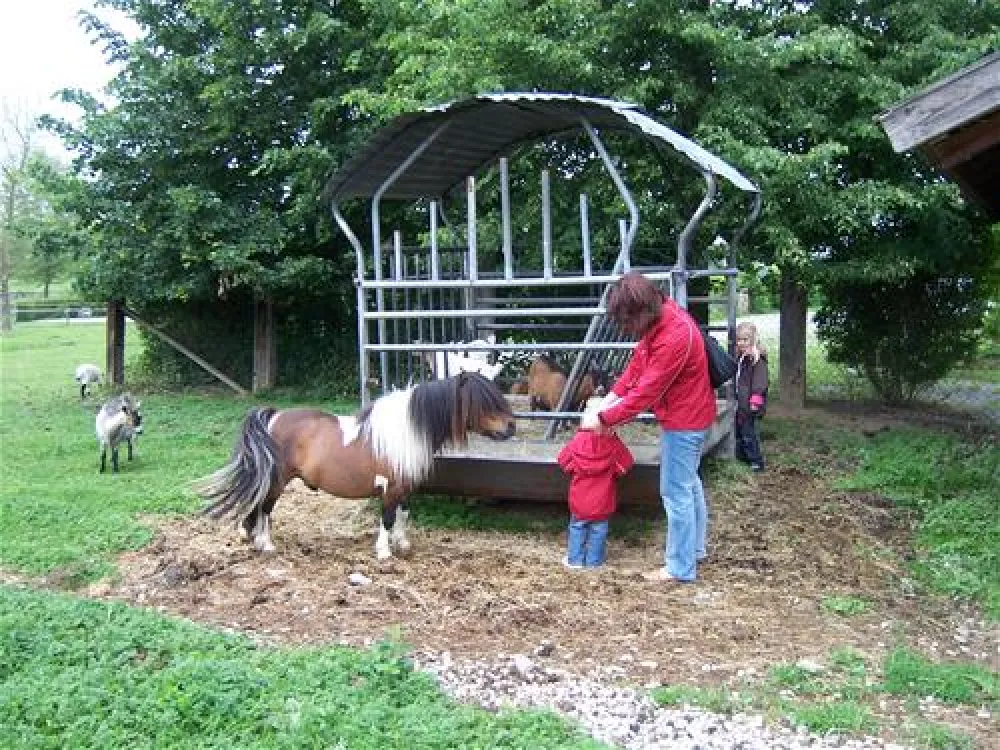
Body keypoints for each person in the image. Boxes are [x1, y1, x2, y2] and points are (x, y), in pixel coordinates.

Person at [581, 271, 715, 583]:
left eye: (626, 320)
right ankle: (694, 550)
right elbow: (637, 367)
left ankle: (680, 567)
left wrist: (602, 419)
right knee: (689, 483)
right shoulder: (661, 318)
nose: (625, 327)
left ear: (639, 311)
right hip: (690, 414)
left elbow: (646, 393)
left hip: (685, 420)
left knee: (675, 491)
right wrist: (608, 400)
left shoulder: (674, 336)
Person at [557, 405, 634, 569]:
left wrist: (575, 469)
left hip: (579, 499)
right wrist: (614, 440)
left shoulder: (577, 442)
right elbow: (626, 464)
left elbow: (563, 461)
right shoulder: (613, 444)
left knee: (577, 527)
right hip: (603, 500)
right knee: (599, 530)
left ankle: (575, 560)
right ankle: (594, 562)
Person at [734, 321, 769, 472]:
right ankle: (743, 457)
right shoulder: (741, 357)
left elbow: (760, 381)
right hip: (740, 402)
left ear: (753, 340)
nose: (741, 343)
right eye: (739, 339)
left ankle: (756, 461)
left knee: (748, 433)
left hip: (749, 404)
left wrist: (755, 400)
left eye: (745, 339)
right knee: (739, 431)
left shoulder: (757, 359)